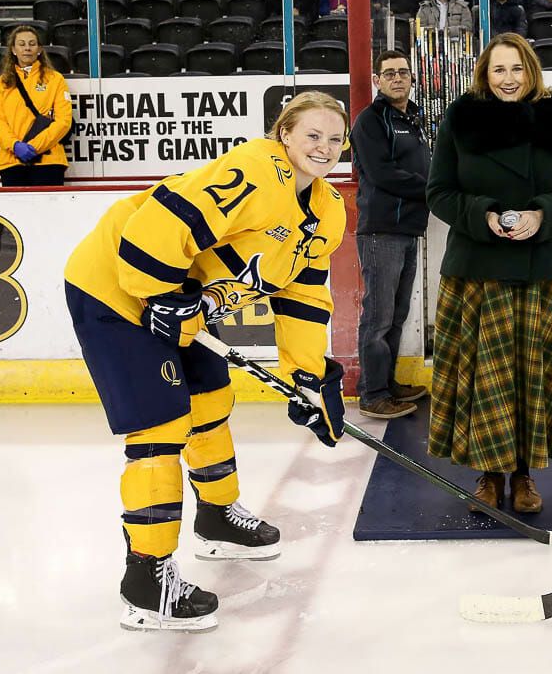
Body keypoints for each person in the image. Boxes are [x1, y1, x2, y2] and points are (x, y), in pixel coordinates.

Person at [64, 91, 350, 632]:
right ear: (283, 133)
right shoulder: (256, 169)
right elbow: (163, 221)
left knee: (211, 402)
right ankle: (146, 580)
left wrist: (307, 377)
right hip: (115, 288)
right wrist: (160, 295)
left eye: (334, 139)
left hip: (180, 297)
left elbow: (304, 296)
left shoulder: (327, 210)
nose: (324, 147)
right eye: (312, 134)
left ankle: (217, 518)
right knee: (162, 428)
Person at [426, 33, 552, 514]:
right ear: (484, 74)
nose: (508, 79)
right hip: (478, 270)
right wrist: (485, 214)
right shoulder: (460, 120)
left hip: (541, 270)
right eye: (498, 70)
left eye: (516, 69)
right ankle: (488, 474)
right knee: (486, 379)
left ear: (531, 71)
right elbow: (440, 193)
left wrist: (543, 214)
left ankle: (522, 474)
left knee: (529, 377)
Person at [352, 51, 432, 419]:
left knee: (397, 314)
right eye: (389, 73)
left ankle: (389, 383)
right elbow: (382, 174)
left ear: (412, 78)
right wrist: (433, 189)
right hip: (381, 230)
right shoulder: (370, 121)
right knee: (379, 316)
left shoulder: (412, 117)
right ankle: (372, 393)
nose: (397, 78)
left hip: (408, 228)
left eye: (403, 72)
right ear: (378, 81)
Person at [0, 24, 72, 187]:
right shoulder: (3, 83)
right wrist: (14, 145)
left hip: (49, 162)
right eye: (22, 44)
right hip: (12, 162)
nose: (27, 48)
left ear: (40, 49)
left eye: (32, 44)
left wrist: (34, 147)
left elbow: (64, 121)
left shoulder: (55, 79)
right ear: (13, 49)